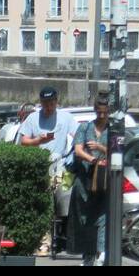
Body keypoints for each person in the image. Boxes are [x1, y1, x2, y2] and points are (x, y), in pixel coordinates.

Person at [18, 86, 78, 256]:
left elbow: (78, 135)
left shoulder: (66, 118)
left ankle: (63, 239)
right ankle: (43, 242)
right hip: (40, 166)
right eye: (45, 104)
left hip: (61, 166)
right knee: (43, 205)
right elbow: (23, 141)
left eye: (51, 103)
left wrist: (74, 153)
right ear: (41, 103)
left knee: (64, 199)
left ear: (56, 102)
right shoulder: (32, 118)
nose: (48, 107)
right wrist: (38, 140)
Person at [69, 95, 112, 266]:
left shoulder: (113, 130)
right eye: (99, 112)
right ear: (95, 110)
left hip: (103, 180)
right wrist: (92, 159)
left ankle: (101, 252)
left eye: (105, 113)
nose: (102, 116)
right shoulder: (85, 127)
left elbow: (118, 151)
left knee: (102, 216)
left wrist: (100, 148)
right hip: (85, 179)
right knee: (85, 218)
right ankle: (88, 254)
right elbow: (78, 150)